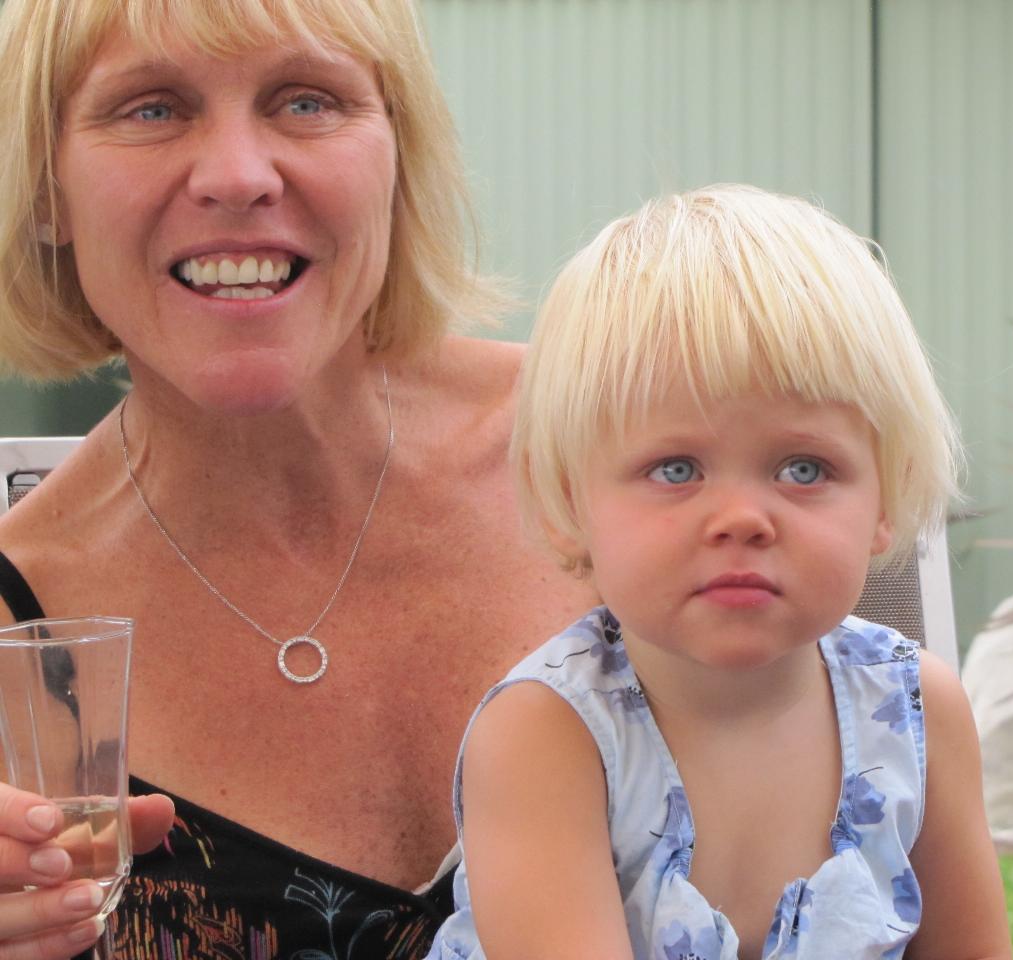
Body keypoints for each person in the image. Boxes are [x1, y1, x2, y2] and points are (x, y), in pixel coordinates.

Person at [0, 0, 597, 957]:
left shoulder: (608, 447)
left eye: (307, 100)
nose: (238, 175)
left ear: (399, 160)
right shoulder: (18, 637)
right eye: (152, 108)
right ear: (44, 192)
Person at [426, 185, 1013, 960]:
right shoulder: (548, 735)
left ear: (885, 495)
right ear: (571, 501)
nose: (742, 517)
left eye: (803, 467)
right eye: (676, 468)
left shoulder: (915, 711)